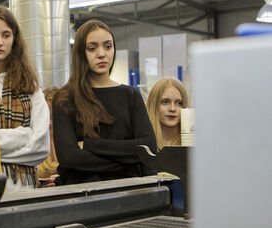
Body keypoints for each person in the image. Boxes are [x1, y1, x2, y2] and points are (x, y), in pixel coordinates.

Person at [53, 19, 156, 185]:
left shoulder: (130, 96)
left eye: (108, 46)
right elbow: (69, 158)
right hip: (83, 195)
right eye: (92, 48)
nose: (101, 53)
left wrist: (90, 145)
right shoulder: (65, 98)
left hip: (129, 191)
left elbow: (148, 147)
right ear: (80, 52)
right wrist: (130, 162)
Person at [0, 6, 50, 192]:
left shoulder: (30, 86)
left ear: (14, 39)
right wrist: (23, 135)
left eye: (6, 35)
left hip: (25, 190)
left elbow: (41, 146)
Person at [146, 78, 190, 149]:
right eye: (165, 102)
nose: (172, 109)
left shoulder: (195, 144)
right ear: (153, 105)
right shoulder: (142, 144)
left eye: (179, 103)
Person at [36, 86, 60, 186]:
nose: (50, 122)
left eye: (53, 116)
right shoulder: (36, 140)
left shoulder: (74, 138)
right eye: (47, 115)